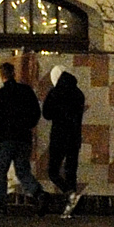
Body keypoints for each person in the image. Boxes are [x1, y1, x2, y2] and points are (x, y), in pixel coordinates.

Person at [0, 62, 43, 212]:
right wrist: (27, 126)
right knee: (22, 170)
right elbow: (36, 113)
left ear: (1, 75)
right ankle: (38, 192)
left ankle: (0, 204)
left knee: (1, 171)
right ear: (14, 73)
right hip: (24, 137)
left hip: (7, 138)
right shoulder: (26, 91)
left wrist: (0, 132)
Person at [42, 67, 86, 216]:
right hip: (74, 136)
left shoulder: (55, 93)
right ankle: (71, 207)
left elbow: (46, 114)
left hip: (59, 136)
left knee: (53, 171)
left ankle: (70, 194)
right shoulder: (78, 93)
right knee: (71, 171)